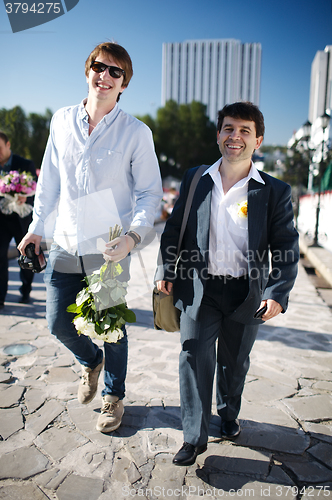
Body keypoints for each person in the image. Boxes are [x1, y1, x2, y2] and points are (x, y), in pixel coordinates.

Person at [18, 42, 162, 433]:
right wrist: (35, 229)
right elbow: (48, 182)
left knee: (111, 326)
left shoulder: (136, 132)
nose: (106, 76)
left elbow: (150, 193)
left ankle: (113, 396)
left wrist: (132, 237)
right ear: (87, 71)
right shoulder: (61, 120)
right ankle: (90, 361)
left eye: (116, 72)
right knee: (57, 323)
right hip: (64, 240)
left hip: (110, 247)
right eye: (100, 67)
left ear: (124, 84)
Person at [155, 102, 299, 466]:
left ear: (258, 141)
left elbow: (285, 247)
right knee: (192, 356)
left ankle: (228, 413)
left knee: (233, 364)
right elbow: (175, 229)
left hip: (245, 295)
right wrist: (165, 269)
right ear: (218, 135)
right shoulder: (195, 178)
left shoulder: (275, 192)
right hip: (198, 288)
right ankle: (194, 437)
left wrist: (277, 293)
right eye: (229, 129)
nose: (235, 136)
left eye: (244, 130)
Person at [0, 132, 36, 308]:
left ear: (8, 145)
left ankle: (26, 289)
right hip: (1, 221)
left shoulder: (25, 164)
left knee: (26, 255)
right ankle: (0, 297)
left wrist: (25, 198)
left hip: (21, 219)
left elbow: (36, 190)